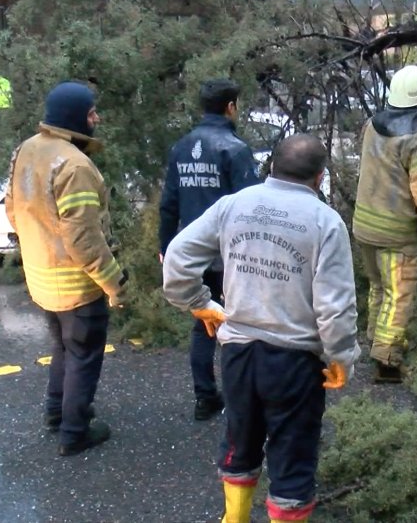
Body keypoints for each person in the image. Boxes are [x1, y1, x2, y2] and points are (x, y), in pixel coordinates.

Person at [162, 134, 360, 523]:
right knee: (292, 455)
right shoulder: (325, 222)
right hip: (295, 363)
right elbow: (335, 306)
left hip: (238, 353)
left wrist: (200, 304)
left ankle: (234, 519)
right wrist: (341, 357)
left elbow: (177, 258)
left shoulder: (234, 205)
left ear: (271, 166)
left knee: (240, 439)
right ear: (320, 177)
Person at [5, 81, 128, 457]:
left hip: (41, 279)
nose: (97, 118)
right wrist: (114, 283)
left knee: (63, 347)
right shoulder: (75, 165)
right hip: (77, 285)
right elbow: (84, 239)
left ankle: (56, 412)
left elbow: (12, 210)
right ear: (76, 117)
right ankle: (74, 432)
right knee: (83, 355)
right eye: (92, 113)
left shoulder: (26, 150)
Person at [159, 78, 261, 421]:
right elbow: (251, 208)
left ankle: (205, 396)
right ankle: (241, 397)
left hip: (192, 252)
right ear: (231, 107)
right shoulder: (235, 150)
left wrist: (166, 247)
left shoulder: (181, 147)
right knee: (240, 322)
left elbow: (168, 203)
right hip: (230, 254)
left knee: (204, 322)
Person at [352, 64, 417, 383]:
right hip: (397, 234)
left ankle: (375, 342)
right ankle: (387, 362)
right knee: (398, 295)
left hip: (364, 226)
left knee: (379, 288)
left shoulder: (372, 126)